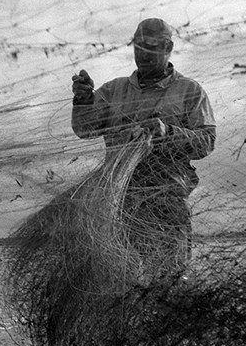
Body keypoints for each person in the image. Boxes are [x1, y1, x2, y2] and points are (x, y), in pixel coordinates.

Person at [71, 17, 216, 278]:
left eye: (151, 47)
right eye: (138, 47)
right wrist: (82, 101)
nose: (143, 54)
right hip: (116, 204)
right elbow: (85, 129)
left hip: (166, 206)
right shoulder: (113, 91)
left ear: (167, 48)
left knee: (167, 281)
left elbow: (206, 141)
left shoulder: (190, 91)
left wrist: (167, 132)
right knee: (120, 282)